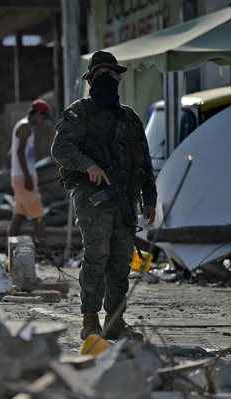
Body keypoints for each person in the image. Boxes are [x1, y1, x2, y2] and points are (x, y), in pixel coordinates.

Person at [51, 51, 157, 341]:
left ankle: (115, 320)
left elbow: (144, 160)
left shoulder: (130, 118)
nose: (108, 80)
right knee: (97, 256)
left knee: (120, 261)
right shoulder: (79, 112)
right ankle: (89, 320)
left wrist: (150, 199)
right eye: (101, 75)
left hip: (124, 199)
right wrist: (89, 165)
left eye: (113, 74)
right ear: (91, 79)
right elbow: (60, 149)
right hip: (92, 198)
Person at [8, 99, 51, 242]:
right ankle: (45, 252)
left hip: (20, 176)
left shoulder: (24, 126)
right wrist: (27, 176)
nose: (43, 121)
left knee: (19, 216)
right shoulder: (25, 126)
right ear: (37, 113)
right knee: (38, 216)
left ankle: (10, 250)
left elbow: (12, 152)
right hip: (23, 177)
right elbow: (20, 152)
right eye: (43, 117)